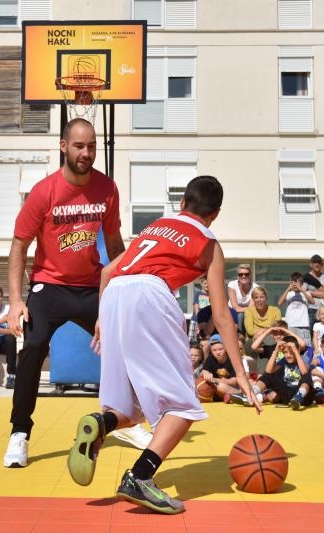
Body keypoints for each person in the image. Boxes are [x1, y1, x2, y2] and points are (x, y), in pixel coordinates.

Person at [66, 175, 261, 515]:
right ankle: (140, 477)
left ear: (182, 203)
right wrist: (241, 374)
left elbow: (107, 272)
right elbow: (222, 315)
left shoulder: (156, 227)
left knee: (127, 407)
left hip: (114, 295)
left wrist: (101, 319)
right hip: (150, 295)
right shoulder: (209, 243)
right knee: (183, 405)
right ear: (215, 214)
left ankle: (101, 424)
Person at [3, 118, 125, 468]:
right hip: (50, 286)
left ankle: (126, 417)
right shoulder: (44, 192)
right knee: (34, 345)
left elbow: (115, 245)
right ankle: (19, 433)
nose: (86, 153)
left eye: (91, 146)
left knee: (123, 343)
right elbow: (19, 246)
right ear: (63, 146)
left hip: (91, 285)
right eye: (79, 146)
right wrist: (15, 300)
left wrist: (124, 290)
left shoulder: (107, 189)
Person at [254, 334, 314, 410]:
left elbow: (304, 372)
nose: (288, 355)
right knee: (267, 376)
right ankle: (252, 393)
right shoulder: (283, 361)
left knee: (306, 379)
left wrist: (296, 351)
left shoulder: (301, 359)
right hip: (287, 393)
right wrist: (276, 350)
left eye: (291, 352)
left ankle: (298, 397)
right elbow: (268, 371)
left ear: (298, 350)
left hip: (303, 396)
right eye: (285, 352)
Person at [198, 334, 242, 402]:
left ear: (226, 348)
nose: (218, 352)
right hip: (216, 388)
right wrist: (206, 373)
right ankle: (228, 398)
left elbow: (234, 381)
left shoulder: (232, 359)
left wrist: (213, 379)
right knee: (202, 385)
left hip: (232, 388)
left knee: (220, 386)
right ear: (211, 350)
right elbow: (203, 372)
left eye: (220, 349)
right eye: (214, 350)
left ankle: (240, 396)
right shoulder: (210, 359)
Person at [277, 272, 313, 346]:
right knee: (290, 345)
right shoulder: (289, 294)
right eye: (293, 282)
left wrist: (302, 290)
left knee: (305, 345)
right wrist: (288, 289)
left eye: (298, 282)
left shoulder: (305, 293)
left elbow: (312, 301)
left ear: (302, 283)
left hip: (303, 325)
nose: (295, 284)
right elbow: (279, 303)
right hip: (290, 325)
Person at [243, 287, 282, 353]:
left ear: (266, 298)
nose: (259, 300)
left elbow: (277, 329)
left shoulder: (275, 310)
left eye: (262, 297)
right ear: (253, 299)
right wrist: (268, 330)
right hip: (253, 341)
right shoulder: (248, 311)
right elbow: (250, 331)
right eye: (256, 297)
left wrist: (262, 331)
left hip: (270, 340)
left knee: (269, 343)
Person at [302, 254, 324, 326]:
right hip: (310, 309)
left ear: (322, 265)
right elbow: (303, 293)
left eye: (319, 262)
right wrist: (322, 291)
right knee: (311, 331)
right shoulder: (306, 277)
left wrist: (310, 292)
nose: (317, 264)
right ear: (311, 264)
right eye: (314, 262)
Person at [227, 264, 257, 333]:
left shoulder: (255, 287)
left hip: (248, 313)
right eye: (241, 274)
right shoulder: (232, 285)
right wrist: (245, 309)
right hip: (231, 311)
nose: (244, 276)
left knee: (243, 315)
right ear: (237, 276)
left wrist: (243, 310)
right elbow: (235, 307)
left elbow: (251, 308)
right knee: (240, 315)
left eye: (246, 274)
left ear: (250, 275)